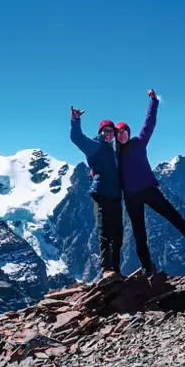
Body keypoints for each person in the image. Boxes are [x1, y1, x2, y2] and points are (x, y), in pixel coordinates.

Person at [116, 89, 185, 276]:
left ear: (128, 133)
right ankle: (147, 268)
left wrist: (153, 102)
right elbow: (105, 167)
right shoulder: (115, 155)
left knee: (176, 218)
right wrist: (94, 171)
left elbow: (149, 123)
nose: (122, 135)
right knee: (139, 234)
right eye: (119, 133)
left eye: (124, 132)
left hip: (148, 190)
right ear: (117, 137)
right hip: (132, 197)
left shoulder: (139, 143)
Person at [69, 105, 124, 280]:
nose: (109, 134)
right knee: (105, 231)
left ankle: (115, 269)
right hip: (101, 193)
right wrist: (76, 120)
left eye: (111, 131)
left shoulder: (112, 150)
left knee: (118, 233)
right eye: (106, 131)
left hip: (115, 195)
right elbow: (77, 138)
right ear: (101, 132)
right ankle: (107, 269)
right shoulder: (95, 146)